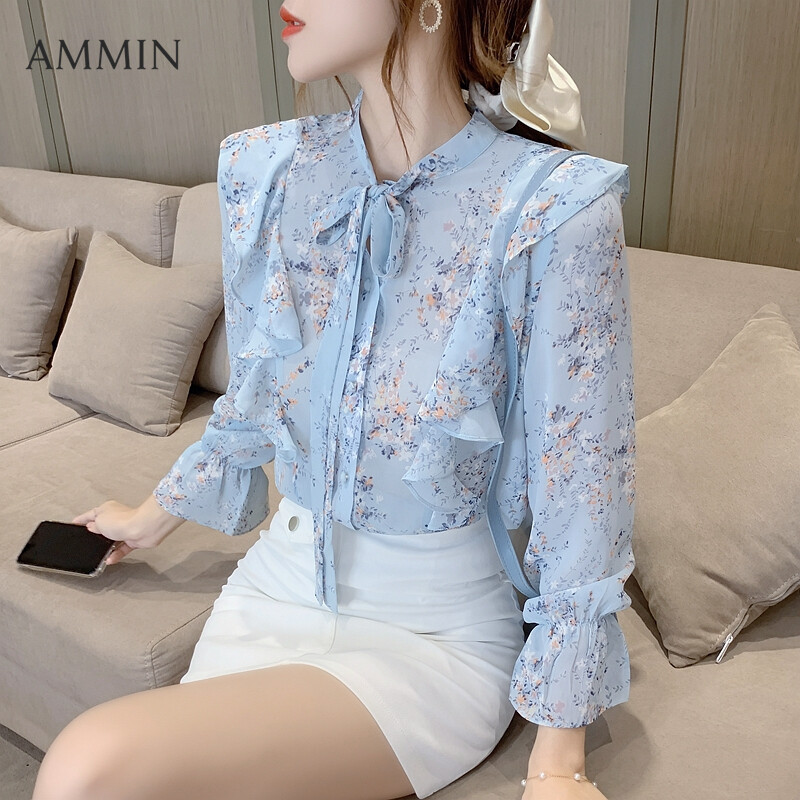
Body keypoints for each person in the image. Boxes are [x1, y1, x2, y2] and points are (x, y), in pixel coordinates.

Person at [32, 1, 636, 798]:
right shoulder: (267, 171)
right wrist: (150, 517)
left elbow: (584, 485)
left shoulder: (553, 206)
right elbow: (253, 399)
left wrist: (559, 762)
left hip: (434, 636)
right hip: (273, 588)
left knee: (87, 766)